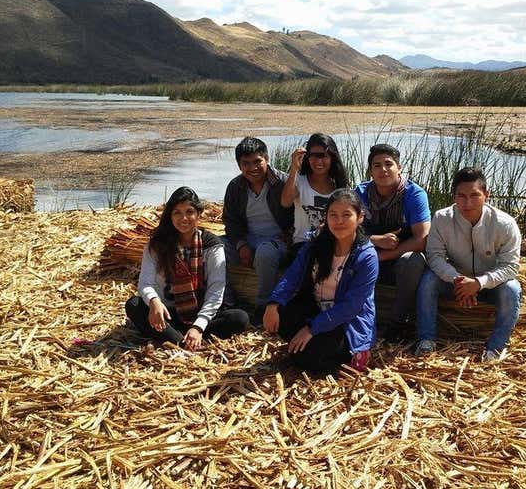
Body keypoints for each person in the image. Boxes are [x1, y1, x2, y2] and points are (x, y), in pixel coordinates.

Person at [263, 189, 378, 373]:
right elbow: (293, 275)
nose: (339, 221)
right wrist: (273, 303)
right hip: (316, 309)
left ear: (360, 217)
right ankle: (309, 346)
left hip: (346, 321)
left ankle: (354, 354)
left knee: (307, 359)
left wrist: (311, 328)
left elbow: (352, 306)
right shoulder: (317, 243)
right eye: (333, 215)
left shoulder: (366, 256)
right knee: (284, 316)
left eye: (346, 215)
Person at [414, 167, 522, 362]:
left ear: (486, 195)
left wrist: (479, 283)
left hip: (490, 285)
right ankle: (426, 341)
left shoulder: (505, 224)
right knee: (428, 280)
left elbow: (511, 266)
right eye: (461, 196)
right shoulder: (442, 218)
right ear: (453, 196)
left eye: (475, 195)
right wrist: (457, 279)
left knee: (512, 289)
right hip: (455, 282)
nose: (468, 203)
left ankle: (495, 349)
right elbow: (434, 256)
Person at [125, 186, 248, 349]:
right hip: (167, 313)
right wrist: (154, 301)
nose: (184, 218)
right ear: (170, 215)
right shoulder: (157, 245)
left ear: (198, 214)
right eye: (177, 212)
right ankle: (181, 340)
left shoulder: (212, 245)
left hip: (200, 314)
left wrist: (198, 326)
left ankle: (177, 338)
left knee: (239, 318)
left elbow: (216, 289)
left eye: (189, 212)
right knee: (134, 305)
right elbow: (145, 283)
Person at [354, 144, 430, 335]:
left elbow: (422, 239)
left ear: (399, 167)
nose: (383, 170)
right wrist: (376, 240)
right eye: (377, 165)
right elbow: (343, 231)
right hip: (370, 250)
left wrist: (386, 255)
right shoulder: (360, 193)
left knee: (412, 261)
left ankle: (398, 321)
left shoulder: (414, 194)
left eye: (389, 164)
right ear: (370, 170)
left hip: (400, 253)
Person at [222, 137, 294, 324]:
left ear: (267, 159)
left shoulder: (283, 183)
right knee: (214, 248)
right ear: (239, 165)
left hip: (277, 241)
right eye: (246, 163)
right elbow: (231, 222)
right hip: (248, 239)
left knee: (264, 253)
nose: (252, 168)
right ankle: (226, 301)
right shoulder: (235, 187)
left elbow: (301, 214)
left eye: (257, 161)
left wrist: (291, 234)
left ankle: (263, 306)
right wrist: (241, 245)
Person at [281, 133, 349, 256]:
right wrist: (294, 168)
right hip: (303, 244)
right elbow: (285, 202)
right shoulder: (299, 182)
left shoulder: (340, 186)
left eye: (323, 156)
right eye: (313, 156)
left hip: (332, 244)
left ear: (332, 157)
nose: (318, 161)